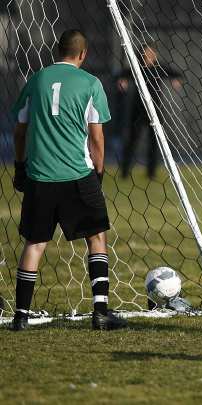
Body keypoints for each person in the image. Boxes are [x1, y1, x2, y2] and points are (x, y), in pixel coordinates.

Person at [10, 29, 127, 331]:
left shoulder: (36, 80)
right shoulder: (91, 83)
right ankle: (100, 312)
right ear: (83, 54)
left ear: (56, 51)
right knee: (96, 238)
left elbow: (20, 131)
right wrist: (97, 174)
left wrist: (20, 167)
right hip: (78, 175)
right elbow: (97, 137)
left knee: (34, 243)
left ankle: (20, 317)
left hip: (39, 175)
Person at [117, 45, 182, 180]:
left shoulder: (159, 68)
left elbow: (177, 73)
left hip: (155, 110)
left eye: (152, 52)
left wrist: (176, 80)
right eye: (147, 52)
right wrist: (122, 80)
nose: (150, 54)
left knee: (154, 142)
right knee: (132, 141)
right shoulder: (137, 68)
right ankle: (124, 172)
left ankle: (151, 173)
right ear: (142, 54)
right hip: (138, 110)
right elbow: (122, 74)